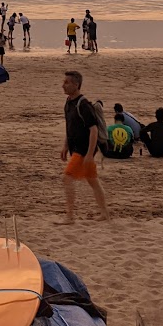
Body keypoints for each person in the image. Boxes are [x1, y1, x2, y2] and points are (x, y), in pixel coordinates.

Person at [61, 71, 106, 222]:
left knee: (67, 177)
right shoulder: (68, 102)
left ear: (76, 85)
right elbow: (70, 127)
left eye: (67, 82)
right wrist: (65, 146)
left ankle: (70, 216)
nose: (63, 85)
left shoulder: (84, 105)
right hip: (76, 147)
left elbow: (93, 130)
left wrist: (89, 154)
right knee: (93, 181)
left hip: (84, 149)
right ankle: (105, 213)